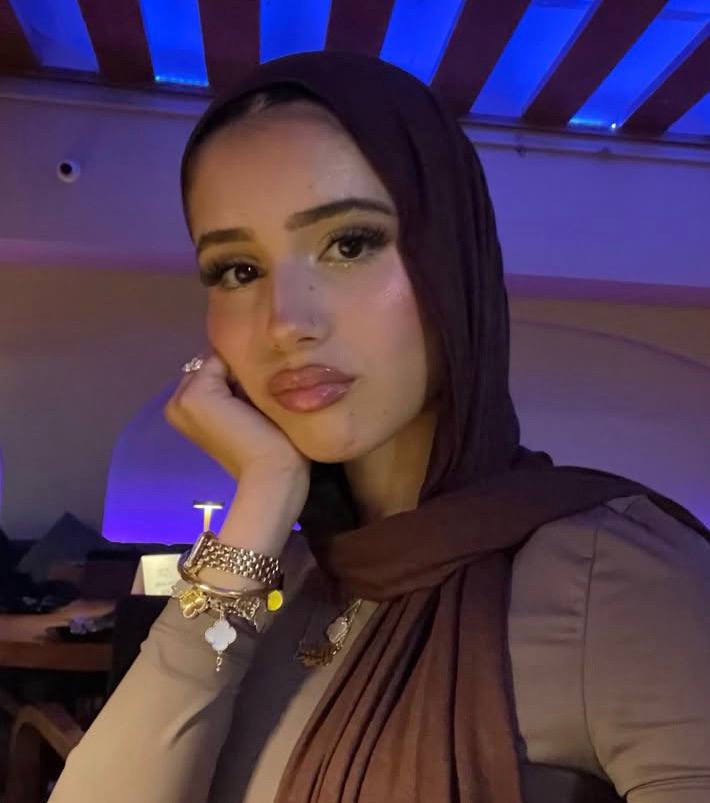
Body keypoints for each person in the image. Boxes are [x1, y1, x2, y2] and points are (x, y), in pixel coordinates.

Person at [49, 52, 710, 803]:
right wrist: (262, 497)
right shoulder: (286, 579)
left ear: (449, 262)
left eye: (350, 243)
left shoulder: (620, 584)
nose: (286, 322)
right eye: (238, 269)